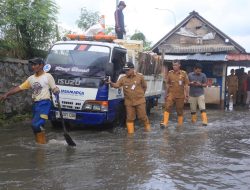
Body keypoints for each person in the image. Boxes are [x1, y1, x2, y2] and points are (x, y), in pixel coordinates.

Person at [0, 58, 59, 144]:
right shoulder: (31, 78)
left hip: (44, 103)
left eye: (35, 64)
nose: (33, 66)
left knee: (35, 125)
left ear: (41, 65)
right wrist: (6, 94)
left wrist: (56, 90)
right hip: (36, 104)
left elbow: (54, 87)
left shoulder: (48, 76)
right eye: (32, 65)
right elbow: (19, 88)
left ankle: (41, 146)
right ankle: (41, 145)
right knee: (38, 126)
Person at [108, 62, 150, 134]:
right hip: (129, 102)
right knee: (129, 118)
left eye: (128, 70)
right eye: (125, 70)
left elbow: (144, 87)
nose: (126, 71)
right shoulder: (123, 78)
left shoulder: (140, 77)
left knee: (142, 117)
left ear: (132, 69)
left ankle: (148, 129)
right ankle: (130, 135)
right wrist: (111, 83)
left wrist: (140, 95)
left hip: (140, 101)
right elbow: (117, 85)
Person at [160, 60, 189, 128]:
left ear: (179, 65)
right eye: (173, 65)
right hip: (171, 94)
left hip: (180, 95)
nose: (174, 67)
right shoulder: (170, 73)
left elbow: (186, 85)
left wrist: (186, 95)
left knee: (179, 110)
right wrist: (165, 94)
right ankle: (165, 122)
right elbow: (167, 84)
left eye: (176, 65)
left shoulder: (183, 74)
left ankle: (180, 124)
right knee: (167, 106)